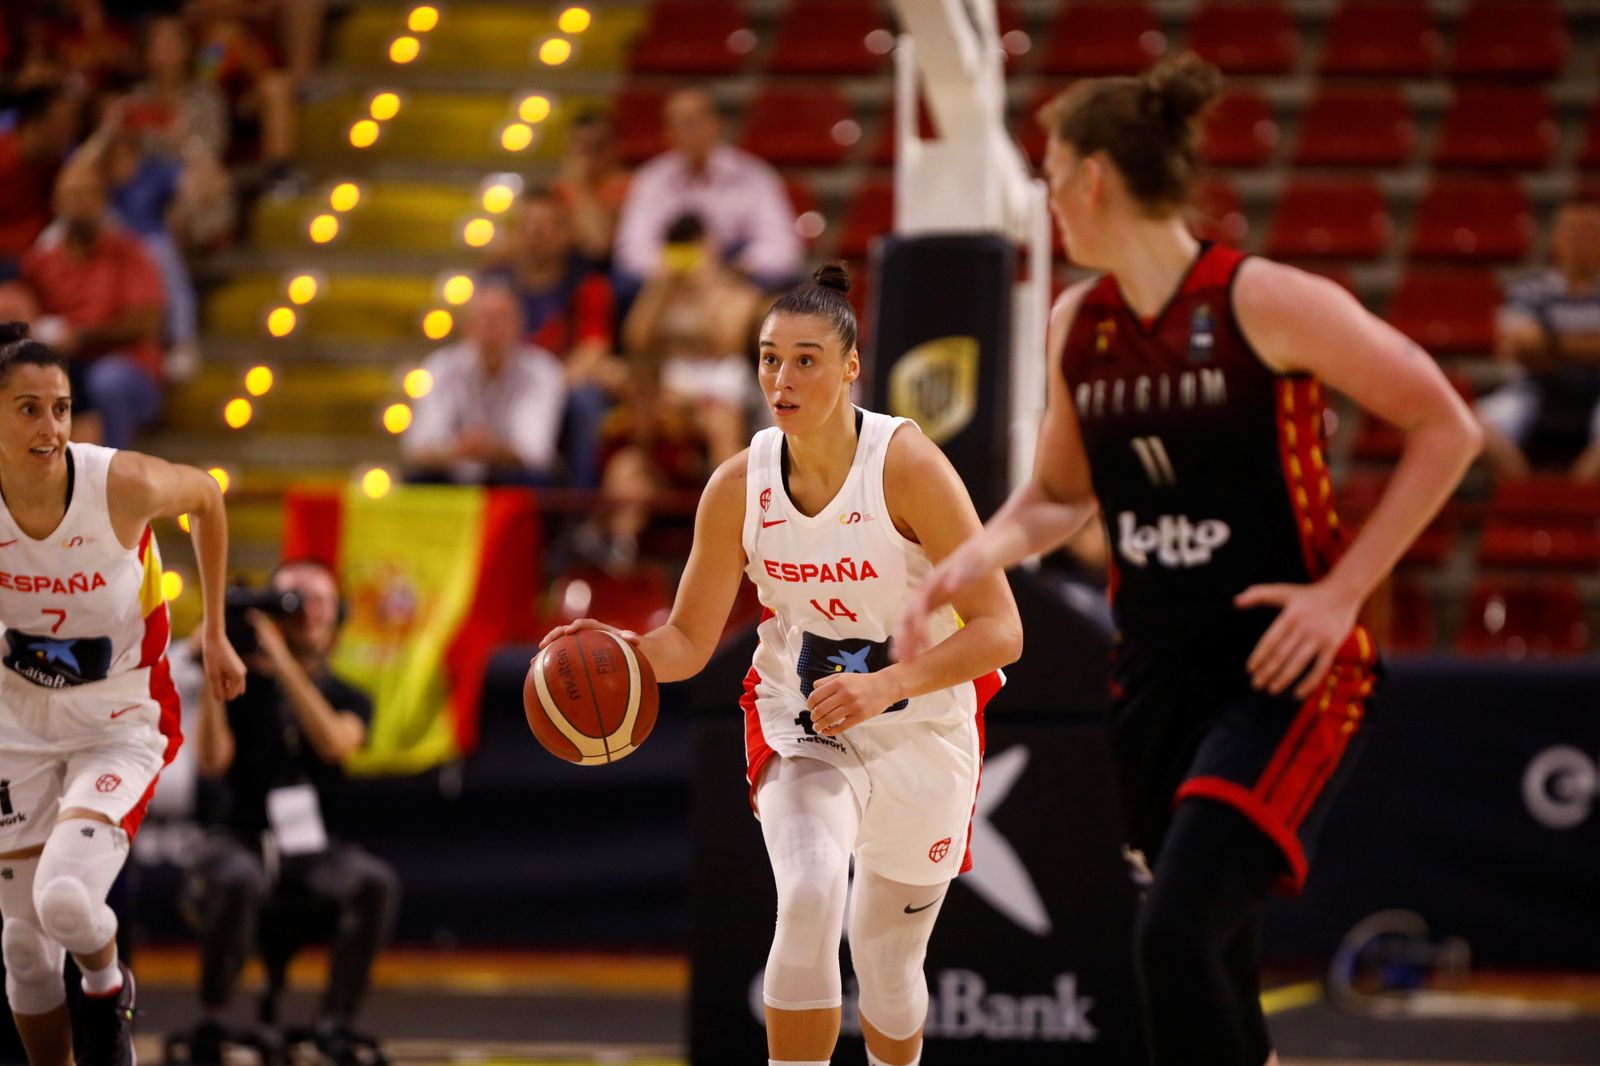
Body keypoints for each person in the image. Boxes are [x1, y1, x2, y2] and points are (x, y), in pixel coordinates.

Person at [897, 55, 1482, 1066]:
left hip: (1279, 673)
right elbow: (1057, 497)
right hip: (1155, 680)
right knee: (1217, 959)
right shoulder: (1080, 327)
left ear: (1092, 179)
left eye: (1049, 174)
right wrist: (968, 558)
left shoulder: (1266, 301)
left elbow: (1445, 424)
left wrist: (1343, 591)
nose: (1046, 199)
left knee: (1170, 936)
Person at [542, 265, 1022, 1066]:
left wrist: (886, 685)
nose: (782, 378)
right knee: (807, 895)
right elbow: (687, 645)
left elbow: (1002, 629)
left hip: (921, 725)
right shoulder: (738, 484)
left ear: (850, 366)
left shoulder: (907, 466)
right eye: (769, 359)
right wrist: (620, 652)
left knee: (889, 963)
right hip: (803, 719)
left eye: (805, 359)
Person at [0, 321, 246, 1065]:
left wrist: (213, 632)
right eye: (29, 409)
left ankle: (109, 985)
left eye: (62, 407)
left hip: (118, 712)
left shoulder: (121, 482)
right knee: (22, 946)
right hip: (15, 721)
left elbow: (206, 496)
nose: (51, 427)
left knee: (67, 903)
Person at [187, 558, 398, 1066]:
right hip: (236, 837)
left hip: (311, 848)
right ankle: (214, 1020)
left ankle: (336, 1022)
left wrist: (282, 664)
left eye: (317, 600)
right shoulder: (240, 684)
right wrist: (216, 670)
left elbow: (333, 743)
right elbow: (213, 763)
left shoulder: (348, 695)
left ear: (337, 614)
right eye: (291, 601)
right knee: (237, 877)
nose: (305, 613)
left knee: (374, 882)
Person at [480, 187, 620, 488]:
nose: (536, 235)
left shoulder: (587, 286)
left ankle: (577, 506)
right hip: (503, 383)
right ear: (515, 233)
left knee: (586, 400)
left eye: (545, 227)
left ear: (564, 234)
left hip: (561, 384)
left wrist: (546, 389)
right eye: (528, 226)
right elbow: (476, 343)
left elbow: (593, 350)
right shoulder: (495, 286)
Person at [22, 160, 166, 449]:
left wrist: (83, 336)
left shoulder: (130, 252)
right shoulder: (40, 262)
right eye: (71, 195)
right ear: (56, 204)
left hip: (125, 367)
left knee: (107, 381)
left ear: (103, 200)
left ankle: (107, 478)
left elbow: (148, 320)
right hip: (63, 365)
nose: (79, 204)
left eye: (87, 194)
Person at [613, 88, 801, 294]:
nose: (685, 132)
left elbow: (782, 247)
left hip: (734, 271)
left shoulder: (754, 175)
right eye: (676, 124)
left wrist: (734, 268)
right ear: (667, 133)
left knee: (778, 284)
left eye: (693, 122)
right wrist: (684, 268)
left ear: (714, 123)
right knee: (625, 284)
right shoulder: (651, 178)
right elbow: (632, 250)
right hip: (669, 275)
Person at [622, 212, 763, 467]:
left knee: (720, 421)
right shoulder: (661, 290)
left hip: (721, 382)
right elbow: (636, 341)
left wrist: (705, 288)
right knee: (641, 400)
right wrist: (658, 289)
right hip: (671, 384)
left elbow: (729, 344)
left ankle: (726, 494)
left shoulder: (735, 290)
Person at [1477, 199, 1600, 480]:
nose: (1582, 242)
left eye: (1591, 233)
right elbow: (1519, 346)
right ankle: (1528, 495)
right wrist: (1589, 347)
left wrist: (1551, 345)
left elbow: (1536, 347)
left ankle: (1576, 501)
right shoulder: (1531, 289)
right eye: (1574, 233)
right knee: (1473, 427)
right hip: (1533, 391)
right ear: (1557, 239)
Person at [400, 283, 567, 486]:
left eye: (500, 319)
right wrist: (459, 449)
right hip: (451, 473)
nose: (491, 327)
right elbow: (418, 446)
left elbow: (536, 451)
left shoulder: (542, 371)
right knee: (416, 479)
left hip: (512, 478)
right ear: (467, 326)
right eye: (484, 319)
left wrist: (492, 450)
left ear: (519, 325)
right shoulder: (440, 367)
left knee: (540, 479)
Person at [552, 108, 630, 265]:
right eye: (583, 148)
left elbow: (598, 244)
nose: (590, 157)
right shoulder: (558, 189)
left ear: (613, 147)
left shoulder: (630, 188)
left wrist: (582, 187)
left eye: (598, 147)